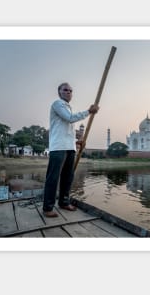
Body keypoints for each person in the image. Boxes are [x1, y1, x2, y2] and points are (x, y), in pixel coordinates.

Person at [42, 82, 99, 217]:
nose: (68, 92)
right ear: (59, 92)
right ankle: (48, 208)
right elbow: (69, 119)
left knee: (68, 177)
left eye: (70, 91)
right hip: (58, 148)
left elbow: (67, 131)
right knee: (53, 178)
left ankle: (64, 202)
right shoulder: (57, 104)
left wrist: (76, 141)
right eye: (65, 90)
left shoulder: (69, 108)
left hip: (69, 147)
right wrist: (89, 111)